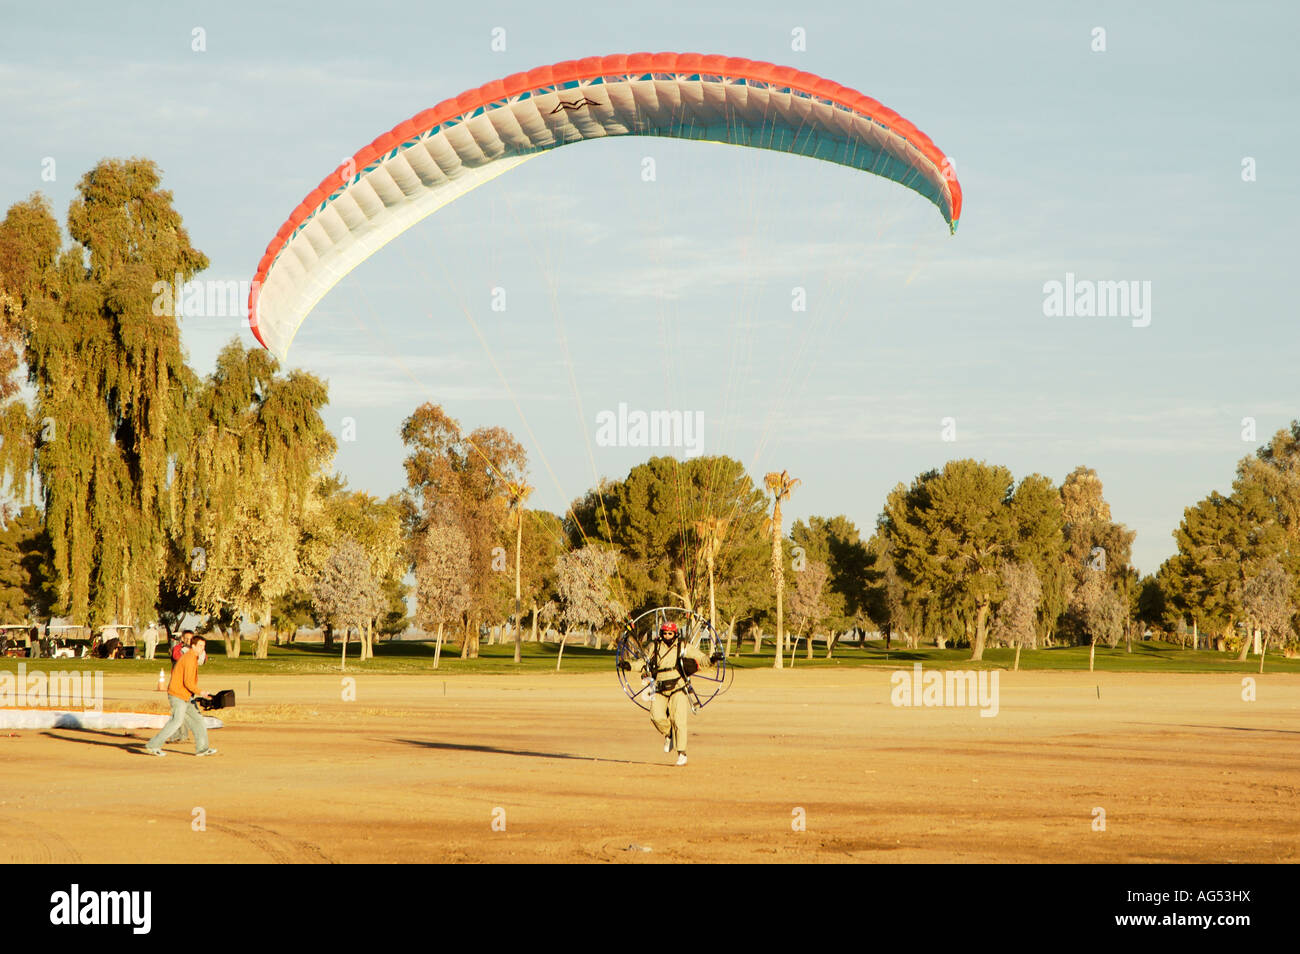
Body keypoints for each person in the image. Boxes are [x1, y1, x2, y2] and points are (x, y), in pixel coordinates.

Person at [634, 621, 716, 767]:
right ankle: (669, 734)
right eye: (665, 633)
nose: (667, 636)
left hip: (678, 687)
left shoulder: (683, 646)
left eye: (670, 633)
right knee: (656, 716)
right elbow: (643, 662)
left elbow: (700, 657)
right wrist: (628, 665)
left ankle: (681, 753)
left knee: (679, 720)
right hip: (659, 686)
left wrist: (712, 660)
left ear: (675, 633)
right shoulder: (654, 646)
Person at [145, 635, 217, 758]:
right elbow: (188, 682)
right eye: (200, 646)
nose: (202, 649)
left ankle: (202, 749)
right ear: (193, 646)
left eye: (204, 647)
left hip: (186, 696)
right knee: (176, 721)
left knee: (198, 721)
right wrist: (202, 693)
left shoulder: (193, 657)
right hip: (178, 695)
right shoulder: (189, 659)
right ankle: (153, 745)